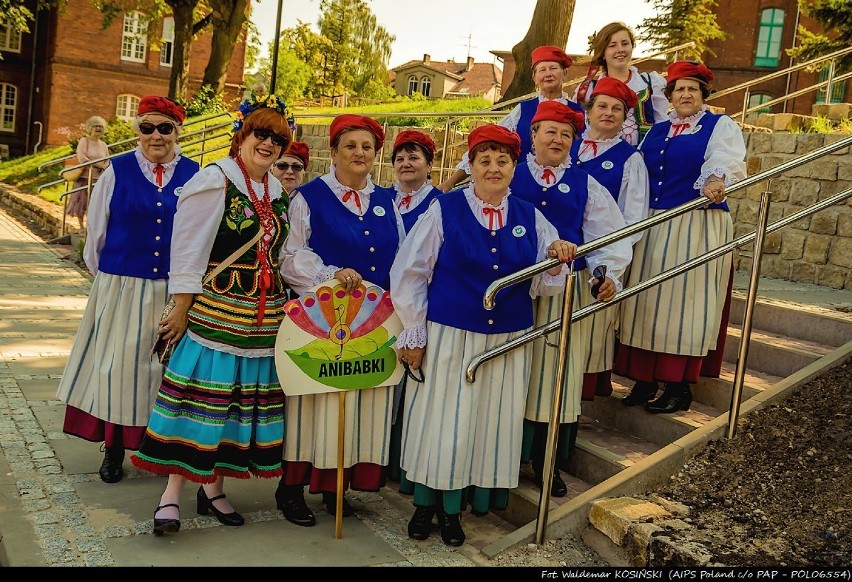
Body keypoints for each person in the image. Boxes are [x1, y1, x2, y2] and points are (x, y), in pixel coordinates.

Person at [389, 123, 578, 547]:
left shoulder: (531, 216)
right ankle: (425, 503)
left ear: (514, 167)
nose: (493, 168)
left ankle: (454, 510)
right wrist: (414, 333)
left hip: (507, 341)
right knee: (438, 421)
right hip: (450, 334)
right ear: (470, 166)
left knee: (484, 423)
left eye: (502, 161)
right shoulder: (444, 209)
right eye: (484, 160)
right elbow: (409, 273)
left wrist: (555, 259)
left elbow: (546, 284)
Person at [130, 92, 294, 535]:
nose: (269, 144)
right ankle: (170, 497)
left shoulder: (276, 190)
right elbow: (187, 248)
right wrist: (181, 307)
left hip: (261, 321)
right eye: (261, 134)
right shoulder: (215, 179)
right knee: (198, 404)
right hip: (215, 313)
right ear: (242, 134)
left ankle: (214, 490)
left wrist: (330, 278)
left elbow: (286, 256)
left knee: (237, 408)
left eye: (278, 138)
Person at [55, 97, 197, 485]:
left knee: (165, 371)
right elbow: (95, 236)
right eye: (147, 127)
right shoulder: (117, 171)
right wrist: (110, 281)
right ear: (137, 131)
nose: (155, 136)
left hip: (174, 289)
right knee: (118, 368)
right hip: (121, 284)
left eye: (164, 128)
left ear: (177, 131)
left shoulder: (195, 174)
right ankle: (114, 448)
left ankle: (161, 447)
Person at [276, 114, 405, 528]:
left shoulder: (387, 201)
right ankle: (291, 487)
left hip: (372, 322)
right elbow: (292, 256)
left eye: (367, 146)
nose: (359, 153)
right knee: (313, 401)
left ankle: (336, 486)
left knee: (356, 400)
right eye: (350, 145)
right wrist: (330, 275)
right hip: (322, 321)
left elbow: (403, 260)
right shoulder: (309, 197)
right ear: (333, 152)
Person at [509, 100, 632, 498]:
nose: (558, 139)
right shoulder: (507, 175)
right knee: (514, 371)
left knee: (558, 374)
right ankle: (507, 456)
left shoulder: (586, 184)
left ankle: (549, 463)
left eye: (566, 134)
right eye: (550, 131)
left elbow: (607, 237)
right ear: (533, 135)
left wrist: (606, 276)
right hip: (516, 289)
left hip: (566, 291)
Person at [614, 61, 747, 414]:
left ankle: (677, 386)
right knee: (644, 302)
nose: (685, 94)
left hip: (696, 224)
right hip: (654, 224)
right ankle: (644, 380)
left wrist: (715, 180)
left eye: (692, 88)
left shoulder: (719, 126)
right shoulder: (656, 130)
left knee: (683, 305)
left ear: (703, 94)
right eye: (679, 89)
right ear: (669, 95)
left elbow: (725, 159)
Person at [570, 77, 650, 401]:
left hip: (599, 260)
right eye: (601, 106)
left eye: (617, 109)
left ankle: (581, 395)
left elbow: (634, 220)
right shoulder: (565, 144)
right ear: (588, 111)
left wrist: (608, 262)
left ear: (624, 117)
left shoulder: (630, 159)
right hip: (553, 258)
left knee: (589, 330)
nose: (608, 113)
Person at [438, 45, 583, 192]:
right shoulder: (523, 110)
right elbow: (489, 141)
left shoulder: (580, 113)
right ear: (534, 78)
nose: (548, 74)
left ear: (564, 73)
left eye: (553, 68)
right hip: (522, 186)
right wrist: (450, 182)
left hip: (565, 188)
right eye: (542, 70)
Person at [385, 129, 443, 493]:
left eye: (414, 157)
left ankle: (406, 459)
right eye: (400, 158)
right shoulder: (379, 200)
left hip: (421, 304)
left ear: (429, 164)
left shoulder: (442, 203)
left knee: (415, 383)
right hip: (383, 303)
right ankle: (384, 454)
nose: (406, 164)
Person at [573, 21, 669, 146]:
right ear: (602, 53)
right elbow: (580, 129)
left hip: (643, 158)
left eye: (625, 44)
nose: (620, 50)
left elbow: (662, 127)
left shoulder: (650, 83)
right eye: (612, 45)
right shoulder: (588, 89)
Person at [66, 115, 111, 229]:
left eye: (100, 126)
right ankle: (82, 227)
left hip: (98, 179)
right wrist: (98, 164)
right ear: (89, 128)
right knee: (81, 203)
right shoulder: (84, 141)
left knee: (95, 205)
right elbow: (82, 158)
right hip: (84, 177)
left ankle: (92, 227)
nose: (98, 129)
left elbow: (107, 160)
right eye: (95, 126)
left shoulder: (103, 145)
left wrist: (104, 166)